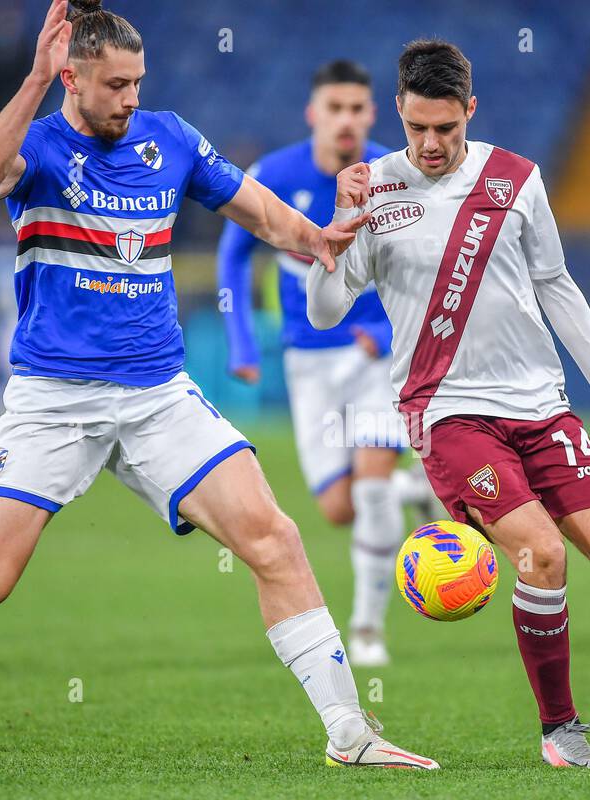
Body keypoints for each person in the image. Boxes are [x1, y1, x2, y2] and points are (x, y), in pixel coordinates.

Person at [0, 0, 437, 771]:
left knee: (275, 539)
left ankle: (349, 734)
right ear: (71, 79)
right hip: (54, 402)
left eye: (137, 82)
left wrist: (317, 239)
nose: (130, 98)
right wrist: (28, 83)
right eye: (115, 84)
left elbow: (260, 214)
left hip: (158, 395)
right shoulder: (42, 148)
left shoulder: (170, 138)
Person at [307, 41, 590, 768]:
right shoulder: (373, 190)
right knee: (542, 555)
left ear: (470, 113)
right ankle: (561, 729)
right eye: (418, 127)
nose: (430, 143)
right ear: (399, 113)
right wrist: (340, 218)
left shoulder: (517, 178)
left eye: (446, 128)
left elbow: (556, 287)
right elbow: (325, 311)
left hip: (541, 405)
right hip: (446, 409)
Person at [217, 59, 437, 667]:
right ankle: (413, 486)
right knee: (336, 508)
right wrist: (241, 343)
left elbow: (418, 270)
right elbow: (234, 256)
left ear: (374, 113)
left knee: (366, 494)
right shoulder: (275, 174)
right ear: (314, 114)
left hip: (375, 359)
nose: (346, 120)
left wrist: (381, 326)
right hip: (308, 361)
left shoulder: (399, 175)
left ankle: (367, 630)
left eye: (357, 109)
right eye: (334, 108)